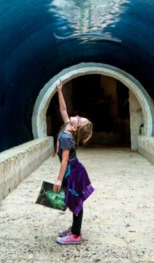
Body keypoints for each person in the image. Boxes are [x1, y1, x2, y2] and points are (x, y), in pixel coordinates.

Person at [53, 79, 94, 245]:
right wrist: (59, 91)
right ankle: (74, 228)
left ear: (76, 128)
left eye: (79, 119)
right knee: (73, 200)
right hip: (74, 170)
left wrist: (58, 179)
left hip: (73, 172)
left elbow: (64, 161)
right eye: (78, 116)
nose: (75, 116)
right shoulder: (67, 126)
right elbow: (63, 108)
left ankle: (76, 235)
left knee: (76, 202)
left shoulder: (67, 137)